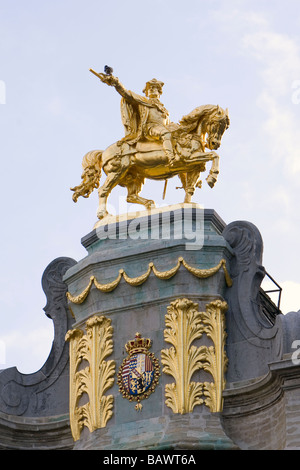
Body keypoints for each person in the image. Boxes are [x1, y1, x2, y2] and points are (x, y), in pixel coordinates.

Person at [96, 72, 180, 167]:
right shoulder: (143, 101)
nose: (152, 89)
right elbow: (126, 93)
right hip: (150, 128)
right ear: (146, 92)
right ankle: (171, 158)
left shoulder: (164, 109)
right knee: (166, 133)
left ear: (159, 92)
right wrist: (115, 82)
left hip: (161, 128)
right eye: (150, 88)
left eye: (155, 88)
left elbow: (166, 124)